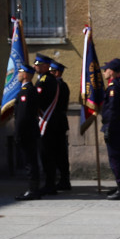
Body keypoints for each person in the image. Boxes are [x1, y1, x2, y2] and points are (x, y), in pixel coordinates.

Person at [101, 58, 120, 200]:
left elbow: (112, 110)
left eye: (106, 69)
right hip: (119, 125)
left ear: (111, 71)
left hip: (114, 126)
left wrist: (108, 128)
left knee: (115, 158)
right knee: (119, 157)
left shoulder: (114, 87)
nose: (104, 72)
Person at [13, 63, 41, 201]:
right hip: (30, 131)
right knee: (31, 160)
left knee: (29, 162)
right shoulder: (31, 89)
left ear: (25, 75)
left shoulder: (26, 91)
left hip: (26, 132)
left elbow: (22, 116)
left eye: (19, 72)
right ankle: (34, 188)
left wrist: (17, 133)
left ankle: (33, 190)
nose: (17, 75)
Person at [34, 54, 60, 196]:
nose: (35, 67)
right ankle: (50, 183)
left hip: (47, 121)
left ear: (45, 66)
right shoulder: (44, 79)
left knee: (47, 154)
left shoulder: (46, 81)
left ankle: (50, 185)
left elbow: (40, 100)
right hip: (47, 120)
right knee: (47, 154)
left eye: (38, 64)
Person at [49, 60, 71, 191]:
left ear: (56, 73)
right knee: (60, 153)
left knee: (59, 153)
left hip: (56, 122)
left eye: (51, 72)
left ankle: (63, 180)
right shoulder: (62, 85)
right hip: (60, 121)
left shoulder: (58, 86)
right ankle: (64, 180)